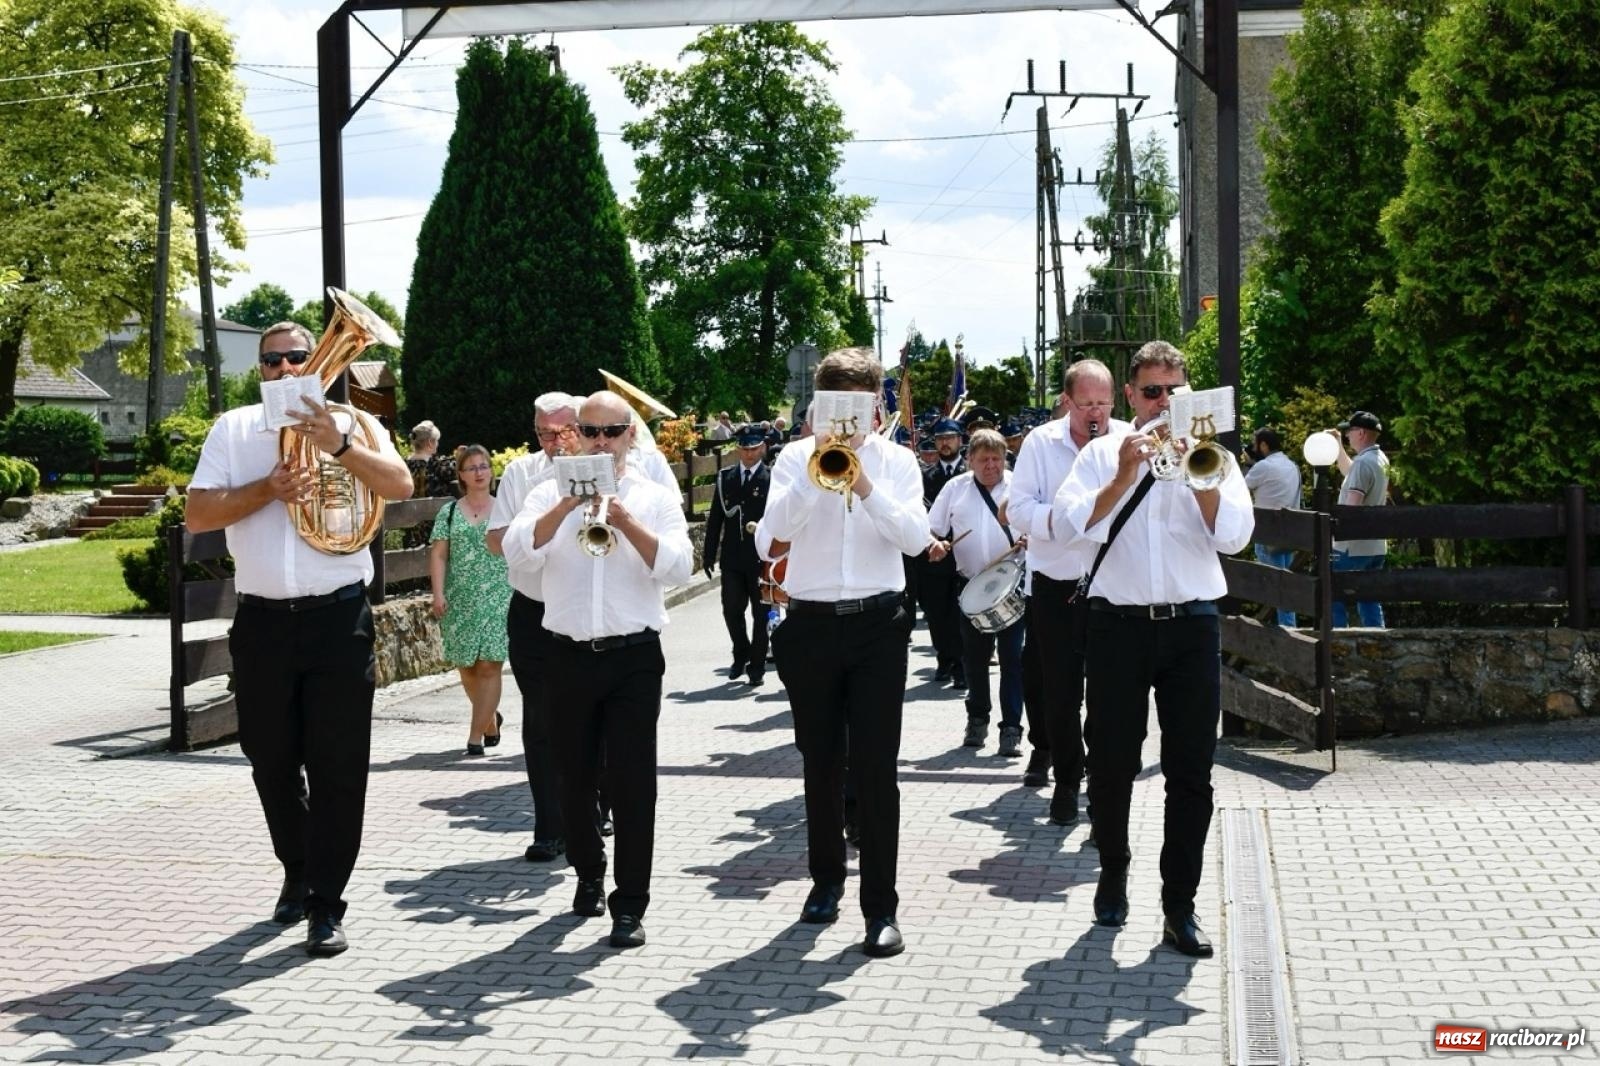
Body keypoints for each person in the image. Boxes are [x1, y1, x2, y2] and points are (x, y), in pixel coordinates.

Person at [185, 319, 414, 957]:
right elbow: (198, 514)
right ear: (259, 371)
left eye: (296, 358)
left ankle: (325, 902)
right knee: (270, 759)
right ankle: (299, 866)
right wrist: (268, 490)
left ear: (320, 363)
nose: (285, 369)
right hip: (261, 619)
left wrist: (338, 446)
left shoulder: (358, 423)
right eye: (272, 361)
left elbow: (400, 486)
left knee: (339, 766)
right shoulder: (234, 429)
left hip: (337, 618)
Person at [1055, 340, 1254, 958]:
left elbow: (1237, 538)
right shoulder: (1097, 456)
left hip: (1192, 625)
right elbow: (1067, 529)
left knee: (1191, 771)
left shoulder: (1215, 457)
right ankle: (1112, 870)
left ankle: (1180, 904)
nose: (1163, 403)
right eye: (1151, 392)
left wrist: (1202, 477)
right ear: (1132, 397)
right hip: (1118, 625)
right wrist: (1122, 476)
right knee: (1112, 762)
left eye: (1175, 392)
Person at [504, 391, 692, 950]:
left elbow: (679, 567)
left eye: (612, 432)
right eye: (590, 433)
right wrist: (564, 506)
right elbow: (517, 553)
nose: (601, 443)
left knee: (634, 783)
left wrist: (624, 517)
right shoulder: (544, 491)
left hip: (634, 656)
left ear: (630, 436)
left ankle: (630, 902)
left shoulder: (653, 496)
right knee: (572, 777)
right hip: (564, 654)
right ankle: (589, 870)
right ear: (575, 437)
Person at [759, 347, 929, 959]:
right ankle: (826, 881)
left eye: (862, 404)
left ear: (876, 405)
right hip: (810, 625)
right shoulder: (790, 458)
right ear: (823, 405)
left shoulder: (900, 462)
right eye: (839, 404)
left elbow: (914, 537)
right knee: (821, 762)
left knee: (879, 770)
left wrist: (864, 482)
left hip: (879, 624)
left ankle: (880, 908)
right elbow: (767, 538)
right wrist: (814, 473)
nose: (852, 418)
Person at [1006, 359, 1125, 810]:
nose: (1094, 414)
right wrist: (1066, 522)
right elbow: (1019, 509)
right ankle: (1067, 779)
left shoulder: (1127, 439)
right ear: (1067, 402)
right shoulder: (1041, 442)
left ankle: (1101, 782)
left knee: (1108, 691)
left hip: (1111, 584)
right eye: (1084, 405)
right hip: (1056, 581)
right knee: (1060, 690)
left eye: (1102, 404)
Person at [489, 392, 580, 863]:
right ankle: (549, 825)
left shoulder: (602, 466)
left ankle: (591, 805)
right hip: (533, 607)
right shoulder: (522, 474)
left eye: (562, 431)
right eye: (544, 432)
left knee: (590, 717)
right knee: (540, 721)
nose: (552, 441)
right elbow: (501, 539)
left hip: (584, 613)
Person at [927, 428, 1025, 756]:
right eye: (983, 459)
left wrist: (1031, 538)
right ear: (970, 461)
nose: (991, 466)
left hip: (1012, 586)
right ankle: (977, 719)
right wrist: (937, 545)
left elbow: (1040, 524)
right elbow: (934, 530)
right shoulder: (955, 488)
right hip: (970, 587)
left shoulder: (1020, 486)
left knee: (1013, 659)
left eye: (997, 458)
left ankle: (1011, 727)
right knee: (975, 661)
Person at [429, 444, 513, 756]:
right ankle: (490, 720)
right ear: (461, 476)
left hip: (499, 594)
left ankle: (475, 737)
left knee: (490, 665)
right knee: (467, 667)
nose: (479, 472)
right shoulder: (449, 512)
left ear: (491, 471)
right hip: (459, 597)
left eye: (484, 466)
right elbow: (438, 555)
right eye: (471, 468)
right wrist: (437, 594)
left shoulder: (506, 509)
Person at [702, 424, 771, 686]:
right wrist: (709, 555)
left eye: (753, 449)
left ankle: (757, 664)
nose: (749, 454)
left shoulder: (771, 478)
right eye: (744, 449)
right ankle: (740, 652)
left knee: (761, 614)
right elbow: (715, 520)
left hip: (761, 558)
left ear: (762, 448)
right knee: (731, 609)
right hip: (732, 558)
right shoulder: (726, 478)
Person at [916, 418, 967, 689]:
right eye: (939, 438)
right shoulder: (925, 476)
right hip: (935, 555)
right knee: (936, 611)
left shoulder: (971, 474)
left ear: (960, 440)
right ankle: (944, 657)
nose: (945, 443)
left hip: (964, 553)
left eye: (950, 437)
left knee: (959, 611)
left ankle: (961, 664)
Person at [1328, 411, 1389, 628]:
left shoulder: (1364, 464)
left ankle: (1336, 643)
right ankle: (1377, 641)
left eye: (1350, 431)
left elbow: (1351, 508)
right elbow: (1350, 471)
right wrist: (1337, 447)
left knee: (1332, 593)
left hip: (1352, 547)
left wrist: (1334, 533)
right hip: (1375, 545)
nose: (1347, 435)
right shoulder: (1379, 459)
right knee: (1369, 598)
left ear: (1361, 433)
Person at [1244, 427, 1304, 626]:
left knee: (1276, 590)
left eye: (1255, 444)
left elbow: (1241, 488)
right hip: (1290, 535)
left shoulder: (1264, 467)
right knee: (1286, 588)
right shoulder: (1292, 466)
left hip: (1267, 535)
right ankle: (1288, 629)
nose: (1253, 448)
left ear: (1263, 445)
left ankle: (1287, 635)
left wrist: (1247, 466)